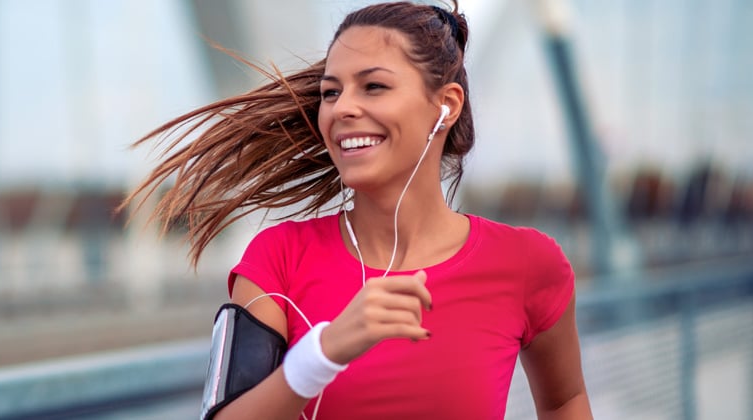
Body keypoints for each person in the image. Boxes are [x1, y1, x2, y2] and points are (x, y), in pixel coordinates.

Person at [121, 1, 592, 419]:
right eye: (331, 92)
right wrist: (323, 353)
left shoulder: (528, 264)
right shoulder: (278, 259)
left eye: (373, 87)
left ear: (445, 106)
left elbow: (564, 402)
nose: (341, 108)